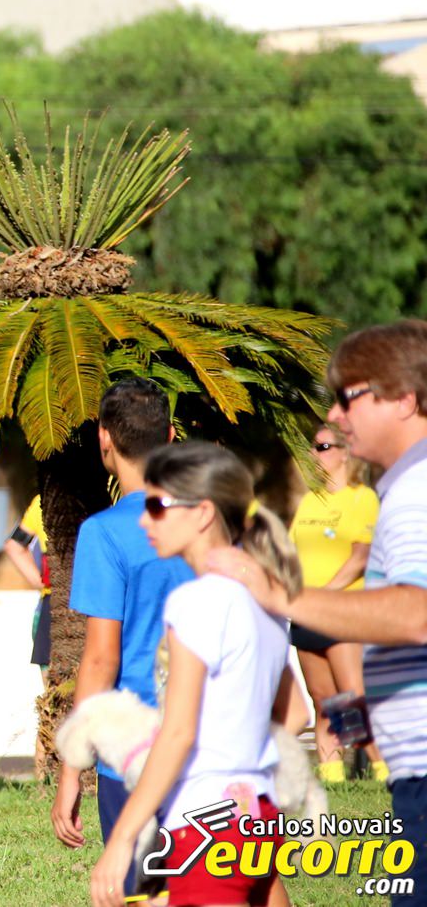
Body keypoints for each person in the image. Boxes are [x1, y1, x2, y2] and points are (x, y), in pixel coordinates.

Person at [211, 320, 427, 907]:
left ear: (405, 400)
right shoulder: (401, 487)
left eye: (348, 397)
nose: (334, 416)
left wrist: (280, 595)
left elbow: (416, 612)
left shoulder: (412, 494)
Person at [90, 441, 301, 907]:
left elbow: (179, 732)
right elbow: (296, 713)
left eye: (156, 507)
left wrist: (122, 838)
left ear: (203, 512)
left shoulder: (196, 602)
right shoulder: (264, 595)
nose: (144, 521)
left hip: (207, 821)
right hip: (259, 812)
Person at [53, 377, 190, 899]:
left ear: (104, 438)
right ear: (171, 436)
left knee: (145, 892)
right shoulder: (209, 519)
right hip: (209, 738)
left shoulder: (104, 533)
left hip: (134, 752)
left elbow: (100, 661)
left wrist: (72, 769)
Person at [289, 425, 388, 783]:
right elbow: (291, 551)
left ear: (345, 452)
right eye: (312, 447)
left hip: (342, 611)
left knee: (351, 699)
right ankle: (332, 778)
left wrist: (323, 595)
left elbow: (360, 557)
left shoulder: (362, 498)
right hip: (305, 612)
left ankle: (384, 772)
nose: (313, 454)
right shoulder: (309, 501)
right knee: (323, 699)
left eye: (323, 447)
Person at [3, 495, 51, 675]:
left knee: (54, 689)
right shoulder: (110, 490)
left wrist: (44, 582)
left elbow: (14, 546)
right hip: (56, 610)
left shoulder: (45, 499)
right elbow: (14, 546)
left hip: (50, 606)